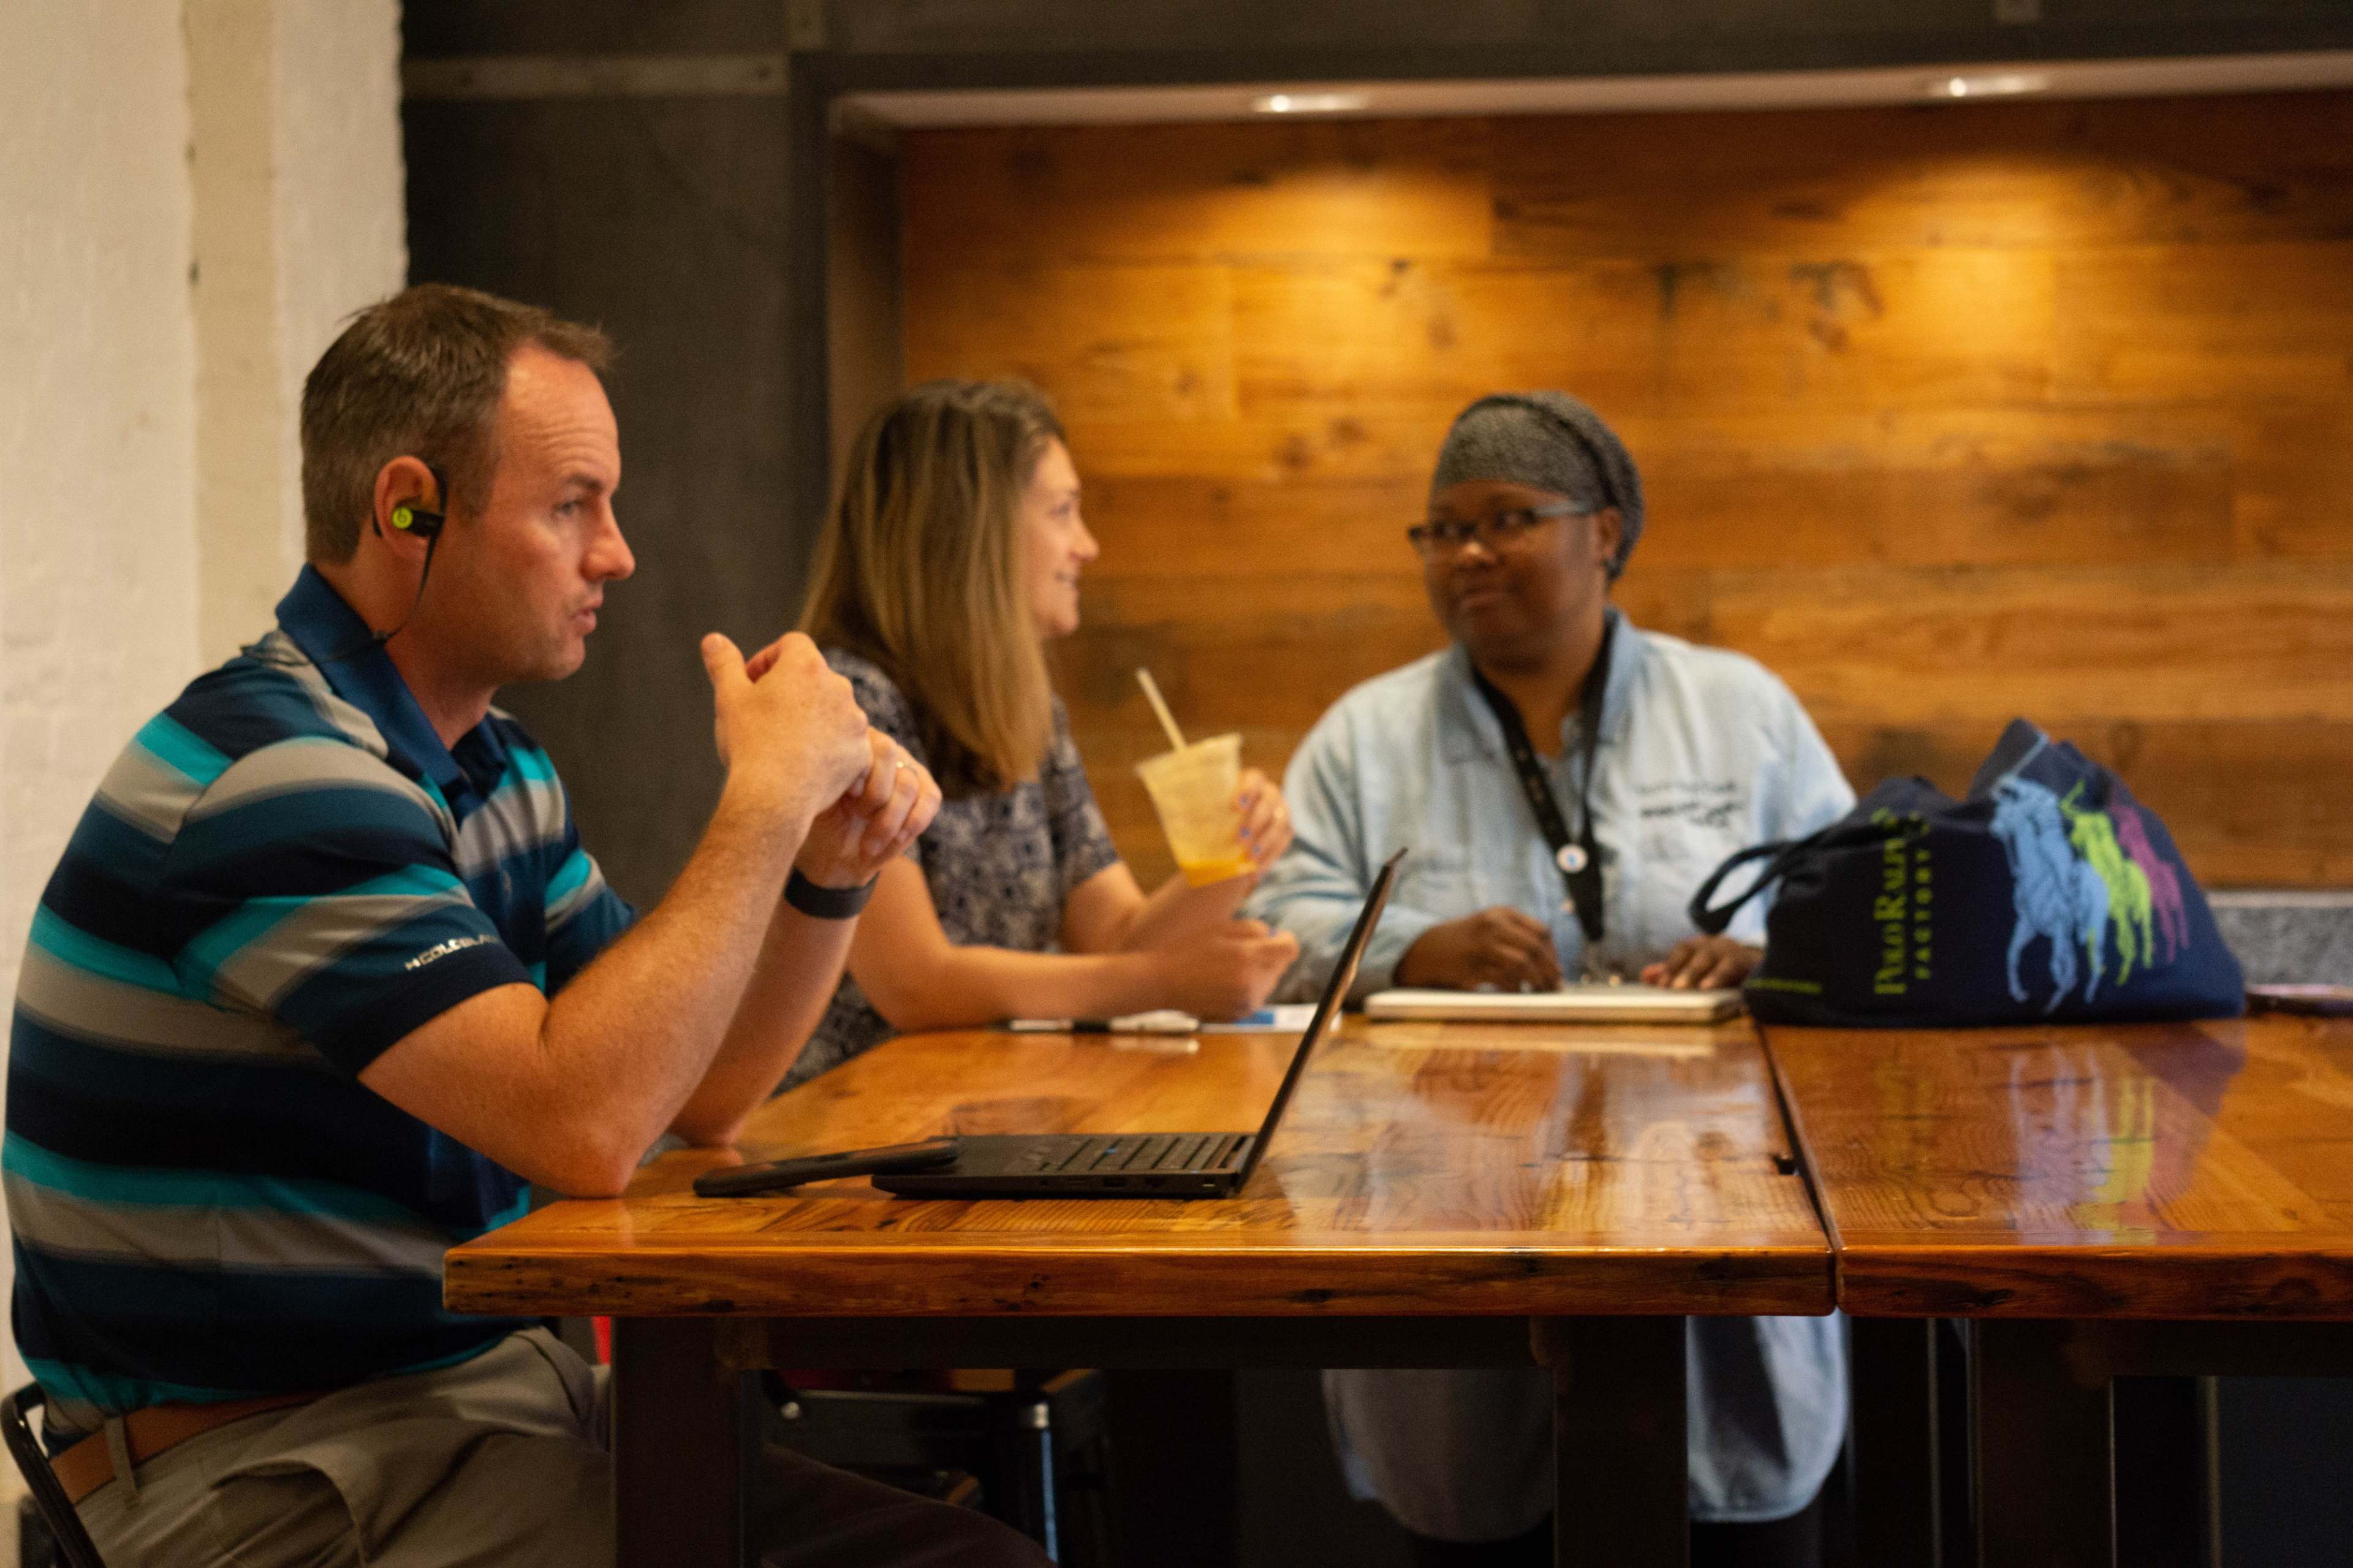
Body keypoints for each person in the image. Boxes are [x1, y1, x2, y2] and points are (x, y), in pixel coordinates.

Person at [6, 284, 1047, 1568]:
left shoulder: (494, 770)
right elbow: (587, 1124)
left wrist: (825, 867)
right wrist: (764, 799)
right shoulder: (272, 779)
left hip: (469, 1405)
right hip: (257, 1480)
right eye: (572, 506)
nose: (617, 553)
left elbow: (700, 1093)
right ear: (407, 510)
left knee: (966, 1552)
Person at [1247, 392, 1854, 1566]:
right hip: (1451, 1239)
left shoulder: (1740, 711)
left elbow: (1850, 901)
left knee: (1731, 1524)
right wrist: (1412, 948)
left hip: (1717, 1234)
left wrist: (1773, 954)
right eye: (1442, 529)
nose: (1467, 554)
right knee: (1474, 1523)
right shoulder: (1365, 737)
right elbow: (1276, 920)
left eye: (1509, 518)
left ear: (1606, 532)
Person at [787, 379, 1298, 1088]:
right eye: (1063, 512)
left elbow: (1116, 936)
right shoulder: (847, 704)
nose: (1087, 546)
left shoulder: (1028, 709)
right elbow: (914, 984)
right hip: (837, 1123)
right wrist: (1163, 983)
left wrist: (1239, 856)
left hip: (978, 1112)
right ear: (970, 531)